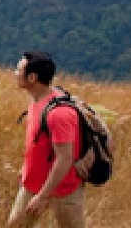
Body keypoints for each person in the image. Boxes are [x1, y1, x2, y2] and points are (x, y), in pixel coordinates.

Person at [7, 51, 86, 228]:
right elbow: (39, 143)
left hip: (63, 190)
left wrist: (43, 196)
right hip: (33, 184)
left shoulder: (59, 113)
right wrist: (26, 169)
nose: (15, 73)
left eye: (19, 70)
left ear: (33, 77)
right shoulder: (37, 99)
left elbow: (65, 157)